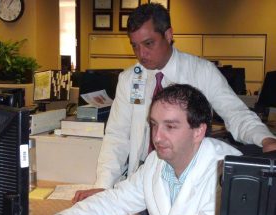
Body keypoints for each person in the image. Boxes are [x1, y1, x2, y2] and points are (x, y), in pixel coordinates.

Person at [72, 3, 276, 202]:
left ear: (168, 35)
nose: (141, 54)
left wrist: (265, 139)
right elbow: (117, 135)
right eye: (135, 46)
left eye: (148, 43)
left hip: (189, 180)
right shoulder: (129, 79)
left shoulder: (201, 72)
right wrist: (104, 185)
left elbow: (236, 113)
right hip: (142, 178)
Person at [29, 84, 242, 215]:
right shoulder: (156, 162)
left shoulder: (232, 169)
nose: (157, 136)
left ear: (198, 131)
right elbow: (117, 199)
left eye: (170, 126)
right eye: (154, 124)